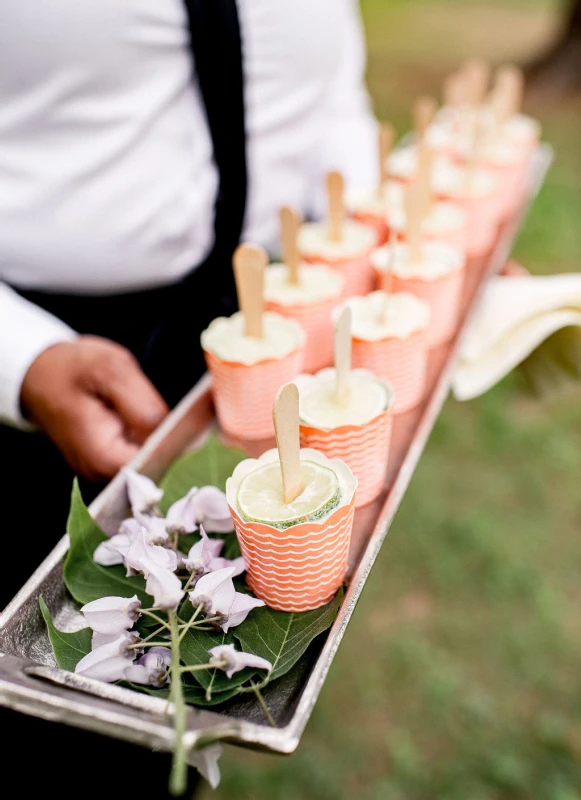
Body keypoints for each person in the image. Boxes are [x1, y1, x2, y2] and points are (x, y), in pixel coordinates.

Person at [0, 1, 378, 794]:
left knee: (177, 718)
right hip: (46, 345)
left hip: (272, 307)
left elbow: (330, 89)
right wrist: (18, 356)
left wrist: (373, 241)